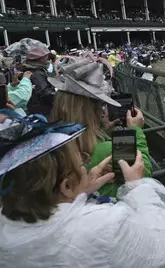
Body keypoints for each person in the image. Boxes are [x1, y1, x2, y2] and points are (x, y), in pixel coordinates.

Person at [0, 119, 165, 267]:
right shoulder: (102, 225)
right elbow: (163, 248)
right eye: (81, 164)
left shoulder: (6, 227)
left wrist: (81, 192)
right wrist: (137, 185)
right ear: (65, 186)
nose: (85, 166)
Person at [49, 58, 152, 198]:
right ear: (93, 110)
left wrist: (104, 131)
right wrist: (135, 130)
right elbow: (143, 171)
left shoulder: (51, 147)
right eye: (100, 105)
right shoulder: (109, 149)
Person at [23, 46, 56, 116]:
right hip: (42, 109)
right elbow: (44, 92)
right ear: (39, 58)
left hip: (41, 108)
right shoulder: (36, 73)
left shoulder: (38, 69)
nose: (47, 57)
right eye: (45, 55)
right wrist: (61, 97)